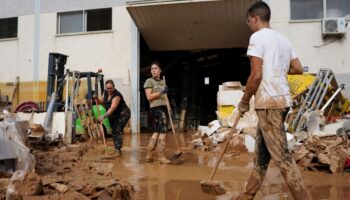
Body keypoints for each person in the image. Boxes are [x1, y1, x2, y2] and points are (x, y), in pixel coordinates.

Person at [236, 2, 309, 200]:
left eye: (249, 21)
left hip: (269, 103)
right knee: (261, 154)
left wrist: (244, 101)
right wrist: (276, 68)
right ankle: (248, 195)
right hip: (282, 101)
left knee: (283, 158)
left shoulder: (257, 37)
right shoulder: (283, 39)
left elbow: (256, 75)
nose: (249, 24)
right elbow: (298, 68)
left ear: (254, 17)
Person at [144, 61, 171, 164]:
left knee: (156, 131)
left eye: (155, 68)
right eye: (152, 69)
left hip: (163, 107)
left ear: (160, 70)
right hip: (156, 108)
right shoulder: (149, 81)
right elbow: (149, 97)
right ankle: (161, 157)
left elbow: (165, 97)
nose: (153, 70)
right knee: (163, 131)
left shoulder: (162, 82)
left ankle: (149, 156)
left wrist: (169, 108)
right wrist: (161, 92)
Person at [96, 79, 130, 157]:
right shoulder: (105, 92)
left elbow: (113, 108)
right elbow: (103, 101)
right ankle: (117, 148)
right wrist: (97, 99)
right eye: (107, 88)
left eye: (110, 88)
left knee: (117, 129)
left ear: (114, 87)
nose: (109, 90)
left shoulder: (117, 95)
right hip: (113, 115)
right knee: (113, 129)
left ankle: (118, 150)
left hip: (123, 114)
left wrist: (103, 116)